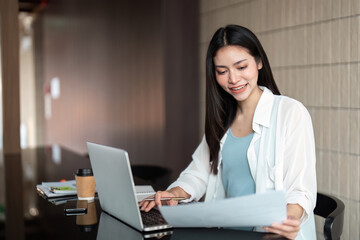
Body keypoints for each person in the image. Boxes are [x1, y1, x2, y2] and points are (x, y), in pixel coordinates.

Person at [139, 25, 317, 240]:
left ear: (259, 62)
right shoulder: (222, 119)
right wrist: (173, 194)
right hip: (226, 234)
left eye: (241, 67)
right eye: (222, 71)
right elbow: (198, 173)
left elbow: (301, 190)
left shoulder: (290, 112)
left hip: (271, 236)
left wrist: (289, 220)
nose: (233, 79)